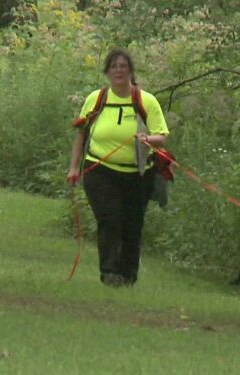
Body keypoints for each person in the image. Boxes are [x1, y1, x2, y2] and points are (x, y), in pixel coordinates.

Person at [67, 49, 169, 287]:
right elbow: (81, 135)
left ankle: (128, 275)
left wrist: (147, 140)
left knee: (133, 224)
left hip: (138, 174)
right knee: (109, 219)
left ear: (131, 71)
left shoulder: (146, 101)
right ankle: (109, 273)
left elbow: (161, 136)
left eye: (123, 66)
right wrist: (73, 168)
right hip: (100, 170)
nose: (119, 70)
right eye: (114, 66)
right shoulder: (96, 99)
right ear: (107, 72)